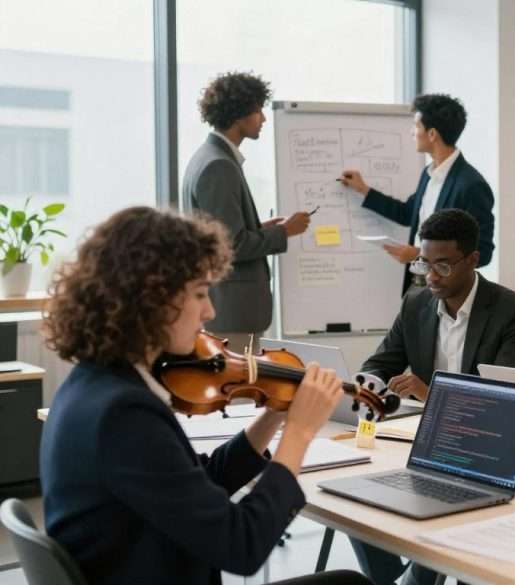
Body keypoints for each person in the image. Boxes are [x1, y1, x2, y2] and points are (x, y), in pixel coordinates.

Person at [39, 207, 371, 585]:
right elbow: (243, 546)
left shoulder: (93, 385)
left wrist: (275, 414)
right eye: (199, 293)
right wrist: (299, 434)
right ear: (150, 298)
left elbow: (201, 482)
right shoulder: (124, 415)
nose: (210, 311)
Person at [348, 208, 515, 585]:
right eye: (424, 263)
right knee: (355, 503)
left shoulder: (512, 311)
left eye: (444, 266)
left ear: (473, 260)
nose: (431, 276)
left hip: (481, 453)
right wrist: (366, 388)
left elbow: (503, 403)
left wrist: (429, 391)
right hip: (419, 442)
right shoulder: (416, 302)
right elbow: (381, 361)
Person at [183, 71, 311, 352]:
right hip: (232, 314)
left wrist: (260, 228)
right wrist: (284, 232)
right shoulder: (219, 165)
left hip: (229, 311)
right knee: (239, 394)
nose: (263, 119)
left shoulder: (209, 158)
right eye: (258, 111)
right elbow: (233, 247)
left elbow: (222, 234)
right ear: (239, 114)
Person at [339, 93, 495, 295]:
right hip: (417, 284)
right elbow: (407, 212)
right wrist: (363, 189)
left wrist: (420, 255)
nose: (412, 132)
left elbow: (483, 252)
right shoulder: (428, 174)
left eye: (416, 126)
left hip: (448, 291)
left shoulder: (471, 185)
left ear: (432, 134)